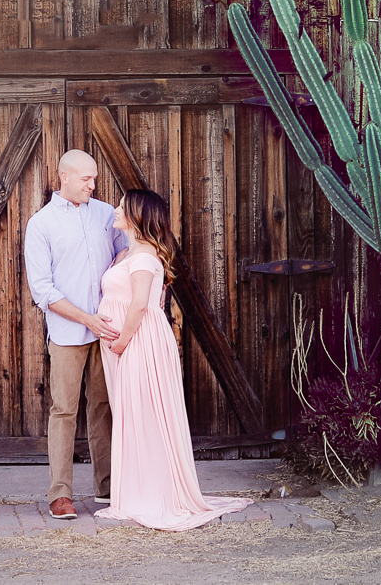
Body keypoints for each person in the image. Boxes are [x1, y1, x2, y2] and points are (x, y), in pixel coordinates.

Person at [95, 189, 251, 531]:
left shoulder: (144, 258)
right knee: (131, 414)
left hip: (138, 341)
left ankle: (152, 494)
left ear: (137, 217)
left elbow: (139, 305)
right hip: (123, 342)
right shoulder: (126, 254)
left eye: (122, 206)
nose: (116, 209)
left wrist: (121, 342)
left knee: (146, 413)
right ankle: (136, 490)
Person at [23, 149, 128, 520]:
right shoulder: (41, 224)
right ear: (63, 176)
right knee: (64, 410)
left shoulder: (105, 214)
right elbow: (43, 290)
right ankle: (60, 494)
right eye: (86, 178)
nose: (92, 185)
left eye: (95, 178)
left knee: (104, 407)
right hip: (68, 332)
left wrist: (115, 299)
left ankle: (109, 487)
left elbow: (126, 254)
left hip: (108, 329)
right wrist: (87, 317)